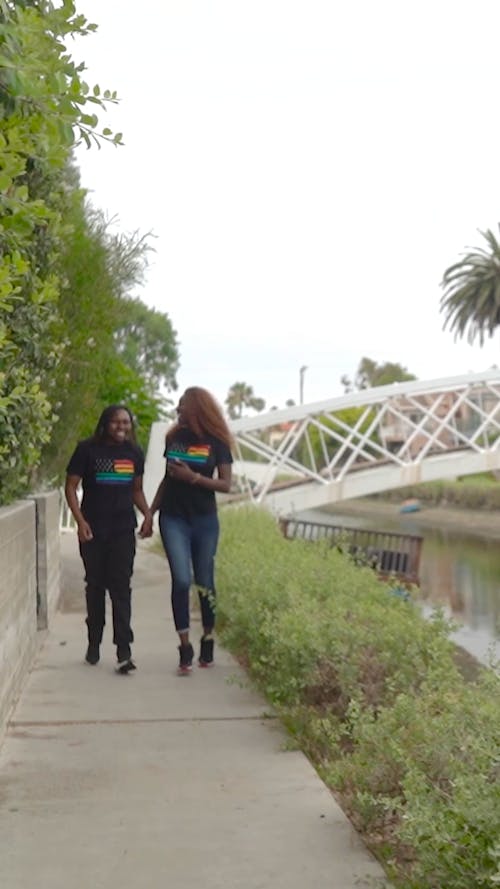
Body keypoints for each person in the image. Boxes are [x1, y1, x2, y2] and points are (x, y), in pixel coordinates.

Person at [150, 387, 233, 675]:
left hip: (204, 520)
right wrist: (150, 513)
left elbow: (226, 485)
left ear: (196, 408)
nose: (177, 410)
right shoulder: (174, 438)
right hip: (173, 517)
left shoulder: (218, 442)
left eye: (182, 406)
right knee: (181, 580)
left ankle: (207, 637)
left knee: (205, 582)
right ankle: (184, 646)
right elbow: (166, 480)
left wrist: (193, 477)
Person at [65, 404, 153, 674]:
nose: (122, 427)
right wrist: (80, 522)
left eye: (126, 423)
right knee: (95, 587)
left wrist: (147, 515)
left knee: (121, 588)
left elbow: (136, 489)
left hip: (123, 530)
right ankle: (94, 642)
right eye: (116, 422)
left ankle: (123, 651)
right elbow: (70, 486)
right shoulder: (87, 449)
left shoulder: (134, 453)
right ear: (105, 424)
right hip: (93, 529)